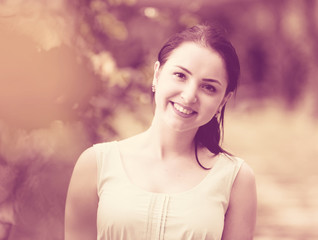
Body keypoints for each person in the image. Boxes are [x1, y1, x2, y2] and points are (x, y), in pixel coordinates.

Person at [65, 24, 257, 240]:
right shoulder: (96, 163)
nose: (189, 95)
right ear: (157, 75)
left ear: (223, 101)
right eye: (180, 76)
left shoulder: (236, 179)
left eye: (209, 87)